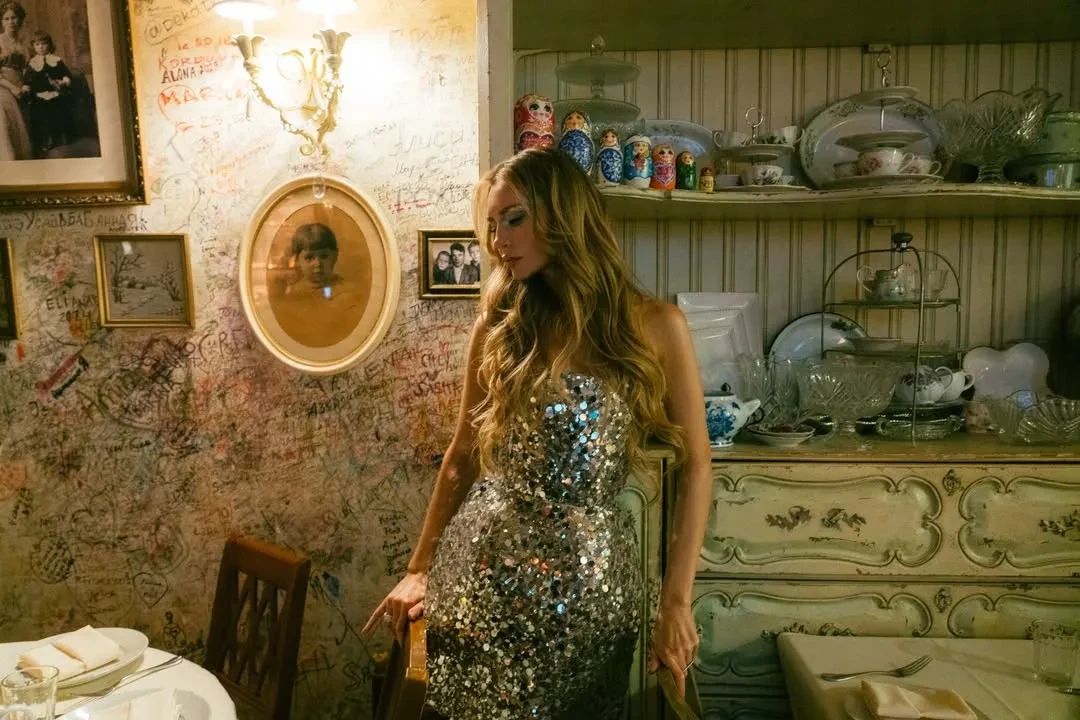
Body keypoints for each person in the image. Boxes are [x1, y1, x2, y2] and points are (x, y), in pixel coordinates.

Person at [363, 147, 712, 719]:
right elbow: (462, 456)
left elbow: (697, 466)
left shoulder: (655, 325)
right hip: (480, 574)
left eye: (514, 218)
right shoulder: (500, 323)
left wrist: (676, 601)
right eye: (492, 224)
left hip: (592, 591)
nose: (498, 239)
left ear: (562, 215)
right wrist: (419, 568)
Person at [271, 222, 365, 348]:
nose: (318, 264)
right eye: (309, 257)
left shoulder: (349, 294)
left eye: (324, 256)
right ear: (297, 260)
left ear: (335, 256)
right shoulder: (293, 291)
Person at [23, 30, 73, 155]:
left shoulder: (56, 60)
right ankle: (47, 139)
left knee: (58, 113)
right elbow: (27, 79)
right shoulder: (32, 63)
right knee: (41, 117)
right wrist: (26, 86)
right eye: (37, 44)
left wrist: (64, 80)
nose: (41, 47)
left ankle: (62, 136)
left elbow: (65, 74)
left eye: (44, 44)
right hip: (39, 96)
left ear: (49, 45)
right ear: (33, 47)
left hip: (55, 93)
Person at [0, 1, 31, 161]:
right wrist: (12, 88)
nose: (11, 22)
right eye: (6, 18)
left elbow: (28, 70)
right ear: (1, 21)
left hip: (21, 88)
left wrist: (25, 85)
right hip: (3, 86)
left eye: (14, 18)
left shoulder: (25, 44)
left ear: (20, 19)